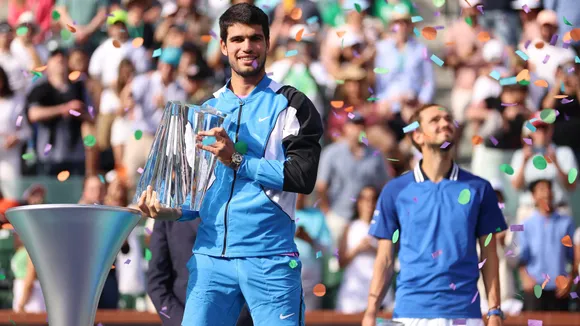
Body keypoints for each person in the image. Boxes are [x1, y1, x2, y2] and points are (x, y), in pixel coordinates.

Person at [137, 3, 323, 325]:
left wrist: (237, 159)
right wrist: (166, 211)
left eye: (255, 38)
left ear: (267, 43)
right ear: (223, 46)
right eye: (237, 39)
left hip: (270, 258)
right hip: (210, 260)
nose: (247, 47)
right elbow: (195, 198)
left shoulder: (293, 105)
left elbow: (302, 177)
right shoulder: (205, 109)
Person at [362, 104, 508, 326]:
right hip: (410, 314)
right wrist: (371, 311)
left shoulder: (480, 189)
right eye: (435, 120)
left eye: (448, 118)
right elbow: (385, 258)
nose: (445, 123)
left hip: (465, 314)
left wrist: (495, 310)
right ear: (418, 136)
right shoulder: (395, 190)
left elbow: (489, 254)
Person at [517, 179, 576, 311]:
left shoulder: (566, 222)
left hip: (559, 289)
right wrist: (526, 279)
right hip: (535, 288)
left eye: (549, 189)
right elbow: (521, 259)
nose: (547, 193)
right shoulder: (526, 225)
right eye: (541, 189)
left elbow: (574, 258)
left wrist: (570, 280)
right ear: (533, 196)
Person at [336, 185, 394, 314]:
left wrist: (374, 248)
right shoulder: (350, 228)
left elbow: (390, 260)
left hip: (379, 289)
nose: (369, 204)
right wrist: (358, 249)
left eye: (373, 199)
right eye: (365, 199)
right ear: (359, 202)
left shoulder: (385, 228)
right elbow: (340, 262)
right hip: (354, 292)